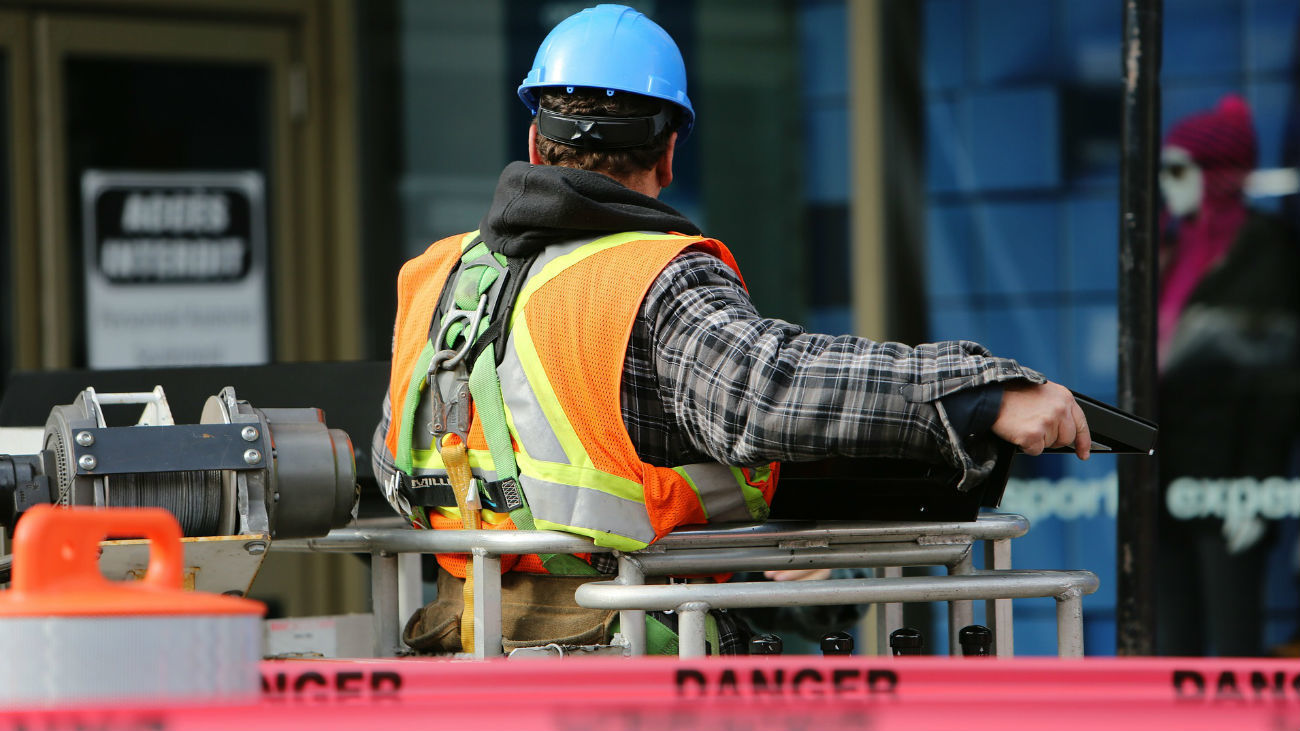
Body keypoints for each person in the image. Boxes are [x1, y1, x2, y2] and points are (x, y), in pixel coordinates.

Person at [371, 3, 1089, 655]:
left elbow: (397, 461)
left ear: (534, 140)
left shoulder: (436, 277)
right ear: (669, 153)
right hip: (625, 656)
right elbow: (764, 392)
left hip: (461, 650)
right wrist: (980, 392)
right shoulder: (652, 276)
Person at [1154, 95, 1300, 656]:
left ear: (1216, 173)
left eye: (1177, 169)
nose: (1167, 183)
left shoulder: (1266, 250)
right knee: (1172, 643)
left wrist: (1257, 490)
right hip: (1166, 473)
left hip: (1230, 475)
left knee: (1234, 641)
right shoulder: (1168, 248)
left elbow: (1276, 386)